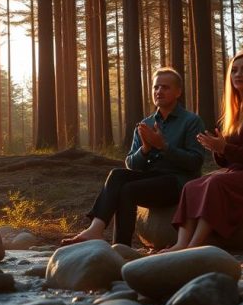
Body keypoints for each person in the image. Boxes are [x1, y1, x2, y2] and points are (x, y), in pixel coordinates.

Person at [60, 67, 205, 247]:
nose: (159, 91)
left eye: (165, 87)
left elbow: (195, 162)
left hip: (178, 183)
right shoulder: (146, 123)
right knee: (116, 175)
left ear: (178, 92)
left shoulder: (191, 121)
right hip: (152, 179)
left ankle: (121, 245)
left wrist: (163, 146)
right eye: (156, 87)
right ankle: (96, 229)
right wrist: (145, 148)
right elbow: (131, 165)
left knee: (129, 190)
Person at [161, 52, 243, 252]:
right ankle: (181, 243)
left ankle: (194, 245)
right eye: (234, 70)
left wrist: (225, 148)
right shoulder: (235, 111)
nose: (238, 74)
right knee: (191, 186)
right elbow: (226, 162)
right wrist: (217, 149)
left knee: (216, 183)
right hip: (240, 171)